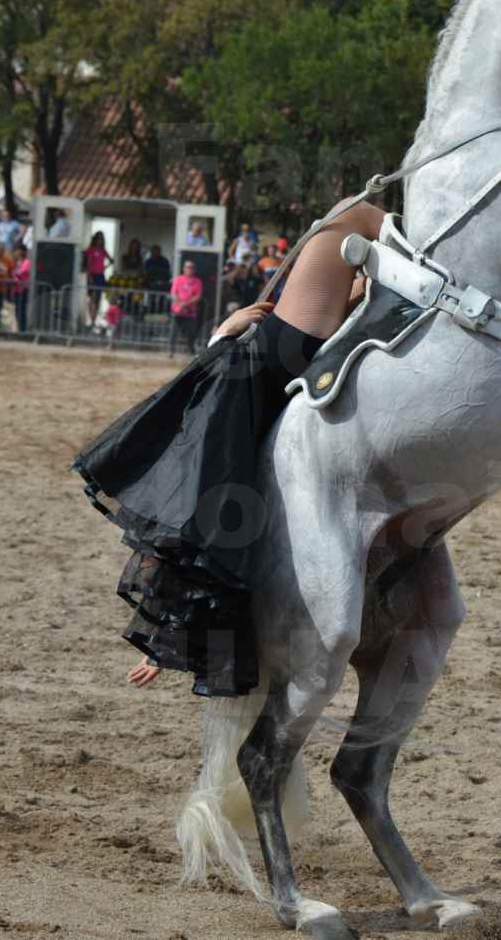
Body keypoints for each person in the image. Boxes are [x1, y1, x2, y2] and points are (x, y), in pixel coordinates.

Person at [81, 199, 387, 695]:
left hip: (283, 355)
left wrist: (225, 331)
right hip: (270, 353)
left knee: (352, 227)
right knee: (349, 214)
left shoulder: (211, 449)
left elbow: (186, 553)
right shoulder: (211, 418)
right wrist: (225, 332)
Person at [168, 260, 205, 356]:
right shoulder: (178, 279)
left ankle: (191, 350)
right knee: (173, 332)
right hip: (178, 311)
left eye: (192, 267)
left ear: (194, 270)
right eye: (188, 267)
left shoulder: (197, 281)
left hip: (190, 312)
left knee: (191, 333)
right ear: (184, 269)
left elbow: (198, 296)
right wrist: (180, 304)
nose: (189, 269)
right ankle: (171, 351)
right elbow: (173, 293)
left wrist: (185, 304)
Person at [83, 233, 114, 326]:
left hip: (101, 276)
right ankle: (91, 319)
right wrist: (89, 276)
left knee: (98, 298)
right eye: (98, 239)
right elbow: (88, 264)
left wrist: (105, 267)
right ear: (95, 239)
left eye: (101, 239)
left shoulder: (103, 250)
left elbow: (112, 260)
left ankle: (94, 320)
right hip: (92, 275)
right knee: (92, 297)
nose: (100, 241)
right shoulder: (90, 250)